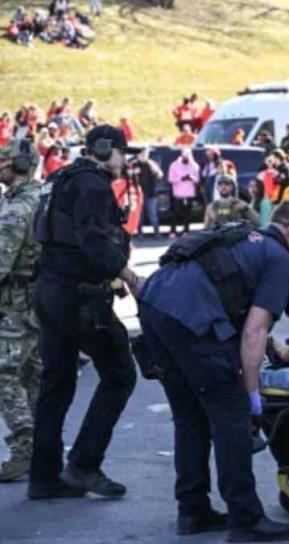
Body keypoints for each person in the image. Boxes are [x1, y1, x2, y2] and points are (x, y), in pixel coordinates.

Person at [137, 200, 289, 540]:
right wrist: (252, 393)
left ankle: (193, 511)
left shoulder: (252, 244)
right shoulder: (277, 259)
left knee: (191, 417)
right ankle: (245, 520)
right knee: (231, 417)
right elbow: (254, 331)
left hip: (155, 308)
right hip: (190, 320)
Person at [29, 125, 140, 500]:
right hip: (79, 296)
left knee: (56, 381)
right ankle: (83, 465)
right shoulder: (92, 185)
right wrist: (125, 273)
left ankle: (43, 477)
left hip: (50, 289)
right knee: (120, 374)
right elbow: (92, 239)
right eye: (122, 152)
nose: (125, 161)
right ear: (105, 149)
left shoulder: (58, 178)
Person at [0, 139, 42, 483]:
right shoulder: (38, 198)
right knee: (32, 374)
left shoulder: (16, 209)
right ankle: (43, 449)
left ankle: (24, 450)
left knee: (4, 375)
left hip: (15, 305)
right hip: (37, 303)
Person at [167, 148, 200, 238]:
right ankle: (173, 231)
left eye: (188, 156)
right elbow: (170, 179)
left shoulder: (194, 166)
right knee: (175, 212)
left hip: (189, 193)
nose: (186, 158)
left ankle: (186, 230)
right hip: (178, 193)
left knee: (187, 213)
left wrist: (191, 178)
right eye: (184, 156)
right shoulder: (174, 165)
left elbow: (197, 180)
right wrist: (181, 179)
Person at [130, 148, 162, 238]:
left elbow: (160, 176)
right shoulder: (133, 164)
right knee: (139, 216)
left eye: (146, 154)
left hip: (151, 194)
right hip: (138, 194)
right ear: (138, 155)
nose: (144, 156)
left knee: (153, 214)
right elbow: (127, 176)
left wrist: (154, 170)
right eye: (142, 154)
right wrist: (133, 173)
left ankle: (157, 233)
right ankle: (140, 233)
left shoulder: (151, 164)